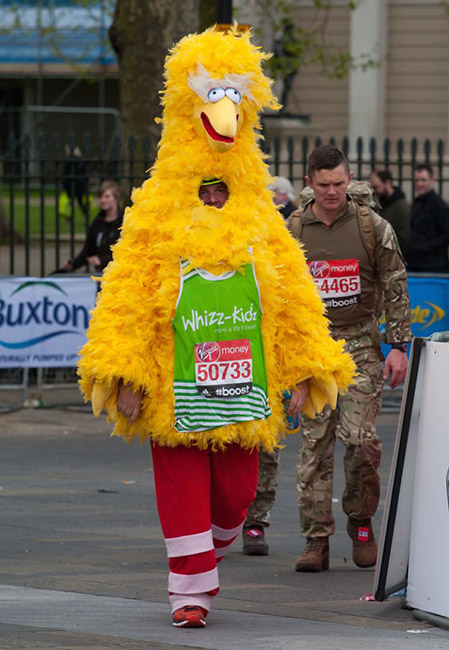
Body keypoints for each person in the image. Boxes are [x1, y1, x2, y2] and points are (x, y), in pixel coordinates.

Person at [77, 29, 355, 630]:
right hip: (174, 389)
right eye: (211, 96)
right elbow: (126, 290)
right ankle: (190, 592)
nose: (222, 112)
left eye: (234, 97)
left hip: (242, 387)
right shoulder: (156, 206)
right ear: (186, 105)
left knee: (234, 497)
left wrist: (308, 368)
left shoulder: (259, 211)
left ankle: (210, 551)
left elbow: (293, 294)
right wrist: (125, 370)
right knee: (179, 482)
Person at [245, 145, 412, 571]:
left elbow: (395, 280)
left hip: (359, 344)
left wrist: (398, 346)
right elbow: (277, 293)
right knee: (314, 447)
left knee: (360, 440)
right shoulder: (294, 228)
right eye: (324, 185)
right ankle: (316, 540)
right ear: (309, 184)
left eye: (339, 183)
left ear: (348, 178)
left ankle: (360, 520)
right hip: (312, 349)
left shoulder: (373, 226)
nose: (333, 191)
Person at [64, 180, 123, 273]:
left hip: (121, 274)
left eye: (107, 196)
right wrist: (73, 263)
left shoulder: (124, 222)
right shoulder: (97, 223)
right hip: (101, 275)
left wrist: (102, 260)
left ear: (117, 198)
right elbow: (88, 250)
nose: (103, 200)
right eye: (100, 197)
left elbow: (124, 251)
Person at [402, 164, 449, 273]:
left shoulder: (438, 205)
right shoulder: (417, 202)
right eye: (417, 180)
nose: (419, 184)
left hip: (433, 265)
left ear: (432, 181)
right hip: (416, 263)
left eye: (423, 180)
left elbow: (446, 235)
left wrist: (425, 247)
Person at [369, 169, 410, 249]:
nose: (374, 191)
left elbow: (405, 237)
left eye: (376, 187)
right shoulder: (376, 204)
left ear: (387, 183)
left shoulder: (401, 207)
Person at [62, 145, 90, 218]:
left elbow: (65, 174)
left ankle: (70, 217)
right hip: (80, 184)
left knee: (71, 202)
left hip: (73, 184)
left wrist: (64, 186)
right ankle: (85, 214)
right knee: (79, 201)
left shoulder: (70, 161)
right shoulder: (81, 160)